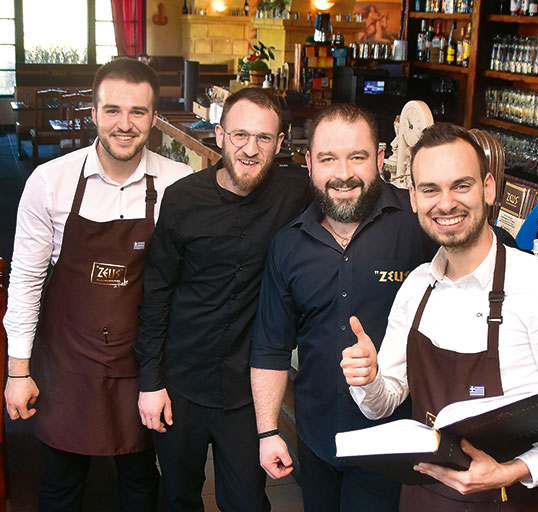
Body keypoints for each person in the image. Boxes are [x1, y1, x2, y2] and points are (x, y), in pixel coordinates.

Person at [250, 104, 538, 512]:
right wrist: (367, 378)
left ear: (489, 188)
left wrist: (512, 470)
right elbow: (377, 395)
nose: (445, 205)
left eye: (461, 185)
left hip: (495, 498)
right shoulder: (417, 287)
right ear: (416, 197)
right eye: (430, 190)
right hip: (409, 483)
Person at [3, 58, 192, 511]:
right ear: (93, 113)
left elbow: (189, 288)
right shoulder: (49, 182)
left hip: (141, 366)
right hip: (67, 361)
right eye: (112, 111)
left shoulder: (179, 185)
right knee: (61, 483)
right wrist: (17, 371)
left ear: (154, 117)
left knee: (140, 481)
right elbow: (26, 281)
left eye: (138, 112)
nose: (124, 125)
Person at [250, 104, 437, 511]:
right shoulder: (288, 244)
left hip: (396, 442)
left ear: (381, 159)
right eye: (328, 158)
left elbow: (495, 263)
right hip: (318, 438)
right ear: (309, 163)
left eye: (358, 157)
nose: (344, 174)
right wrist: (268, 432)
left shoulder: (421, 218)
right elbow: (270, 347)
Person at [134, 87, 309, 512]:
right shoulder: (182, 199)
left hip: (246, 391)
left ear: (281, 144)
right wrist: (150, 383)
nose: (251, 149)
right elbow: (156, 293)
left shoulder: (296, 193)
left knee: (248, 503)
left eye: (264, 138)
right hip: (181, 382)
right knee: (178, 496)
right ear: (219, 135)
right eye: (240, 135)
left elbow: (350, 193)